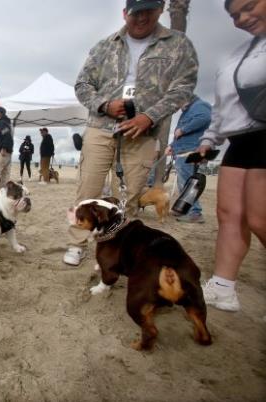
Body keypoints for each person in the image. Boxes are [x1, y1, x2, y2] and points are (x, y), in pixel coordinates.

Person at [63, 0, 199, 266]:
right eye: (136, 12)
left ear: (160, 10)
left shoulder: (179, 44)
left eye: (148, 10)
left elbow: (183, 87)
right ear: (125, 13)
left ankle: (115, 248)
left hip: (144, 133)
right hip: (101, 128)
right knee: (88, 189)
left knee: (128, 196)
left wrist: (148, 116)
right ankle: (77, 244)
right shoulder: (105, 46)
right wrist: (104, 105)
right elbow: (82, 84)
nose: (141, 17)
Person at [198, 0, 266, 312]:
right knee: (229, 213)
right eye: (235, 15)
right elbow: (223, 106)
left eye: (249, 6)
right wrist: (211, 139)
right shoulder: (237, 54)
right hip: (240, 139)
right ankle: (222, 287)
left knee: (260, 218)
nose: (242, 18)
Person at [165, 95, 212, 223]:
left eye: (177, 102)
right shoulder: (189, 109)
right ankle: (184, 209)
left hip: (191, 150)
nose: (177, 107)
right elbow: (178, 135)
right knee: (185, 182)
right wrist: (172, 146)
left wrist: (183, 129)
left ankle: (194, 212)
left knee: (188, 183)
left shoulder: (200, 105)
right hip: (184, 149)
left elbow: (205, 117)